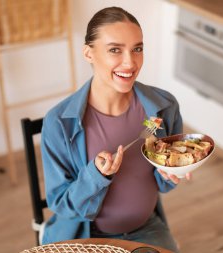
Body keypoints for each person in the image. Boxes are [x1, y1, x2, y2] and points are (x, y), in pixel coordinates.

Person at [41, 6, 189, 253]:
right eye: (114, 50)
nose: (130, 62)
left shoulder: (164, 107)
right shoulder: (59, 122)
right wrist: (95, 176)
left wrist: (170, 173)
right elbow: (61, 204)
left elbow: (164, 183)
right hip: (84, 234)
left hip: (146, 229)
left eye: (137, 49)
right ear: (89, 53)